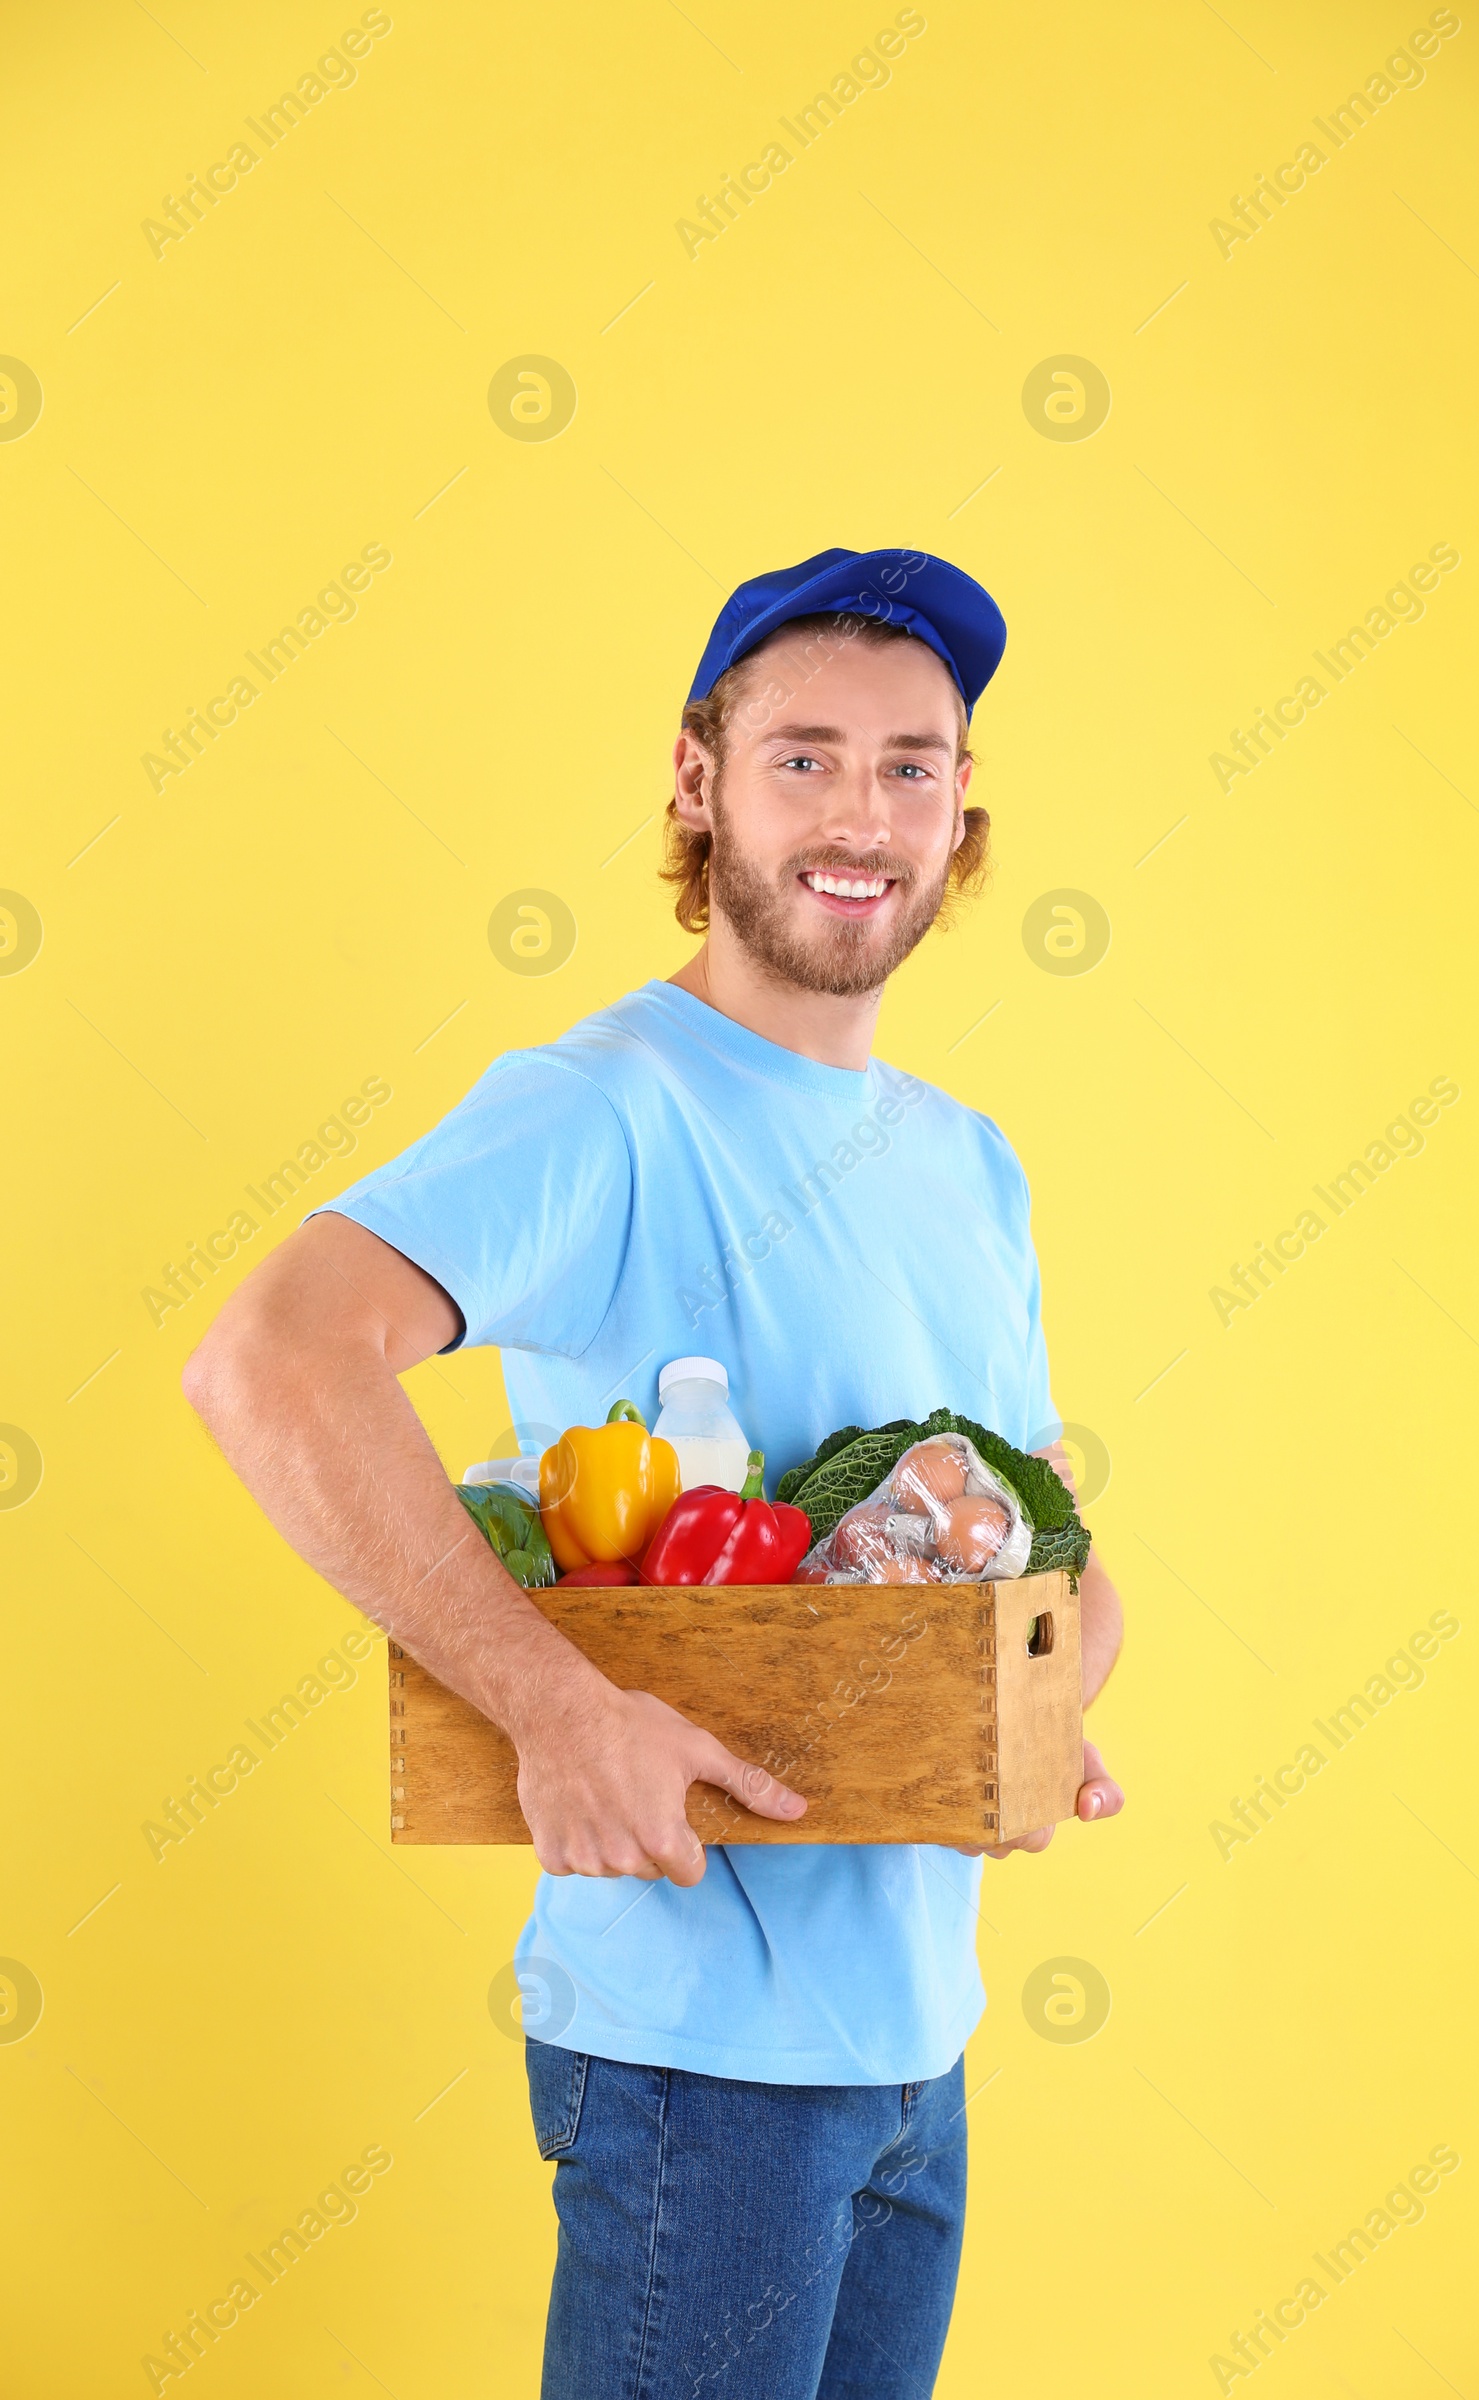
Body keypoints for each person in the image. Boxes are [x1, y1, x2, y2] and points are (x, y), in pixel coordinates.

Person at [183, 546, 1125, 2400]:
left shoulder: (970, 1162)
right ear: (699, 786)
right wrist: (548, 1705)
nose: (863, 815)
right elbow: (270, 1362)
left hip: (916, 2050)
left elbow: (1045, 1531)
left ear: (963, 817)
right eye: (806, 758)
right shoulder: (607, 1104)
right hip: (703, 2064)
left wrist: (1051, 1694)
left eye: (913, 766)